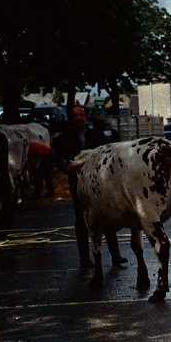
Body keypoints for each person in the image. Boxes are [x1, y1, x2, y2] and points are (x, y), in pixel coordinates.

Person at [52, 103, 125, 268]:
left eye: (81, 115)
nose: (79, 118)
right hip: (78, 185)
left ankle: (116, 255)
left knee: (108, 217)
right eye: (75, 115)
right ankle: (84, 258)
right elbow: (61, 161)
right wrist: (66, 165)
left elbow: (107, 154)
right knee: (82, 220)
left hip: (99, 185)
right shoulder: (64, 138)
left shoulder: (96, 135)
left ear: (85, 117)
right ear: (71, 119)